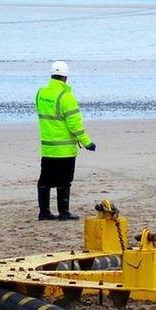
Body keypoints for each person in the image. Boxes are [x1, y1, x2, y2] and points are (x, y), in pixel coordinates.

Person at [35, 61, 95, 220]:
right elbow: (75, 125)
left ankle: (44, 212)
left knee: (45, 181)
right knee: (64, 181)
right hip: (64, 150)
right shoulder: (66, 97)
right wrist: (87, 142)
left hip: (48, 148)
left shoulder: (41, 93)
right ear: (66, 77)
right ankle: (64, 212)